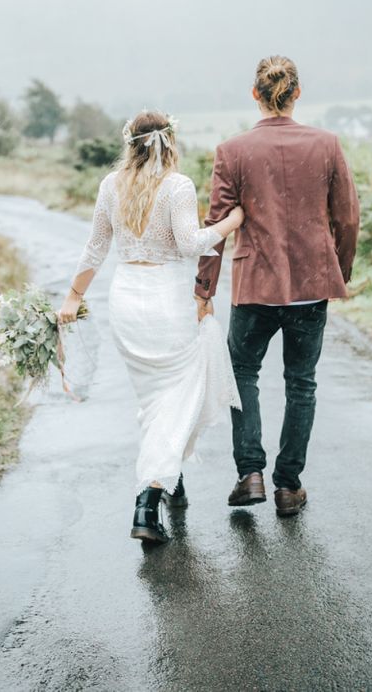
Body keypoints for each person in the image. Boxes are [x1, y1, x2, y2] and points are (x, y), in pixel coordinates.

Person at [59, 110, 243, 544]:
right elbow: (189, 244)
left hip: (126, 301)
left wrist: (73, 297)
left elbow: (96, 247)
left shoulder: (111, 185)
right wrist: (231, 223)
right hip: (167, 301)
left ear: (131, 143)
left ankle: (170, 480)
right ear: (170, 142)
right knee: (178, 397)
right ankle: (147, 499)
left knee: (154, 401)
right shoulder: (177, 187)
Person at [195, 55, 360, 517]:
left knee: (242, 375)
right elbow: (348, 217)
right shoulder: (327, 144)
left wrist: (203, 290)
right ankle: (289, 486)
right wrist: (338, 272)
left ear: (255, 94)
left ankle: (250, 475)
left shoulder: (232, 151)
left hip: (255, 286)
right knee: (301, 383)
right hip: (311, 285)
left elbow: (217, 225)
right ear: (297, 94)